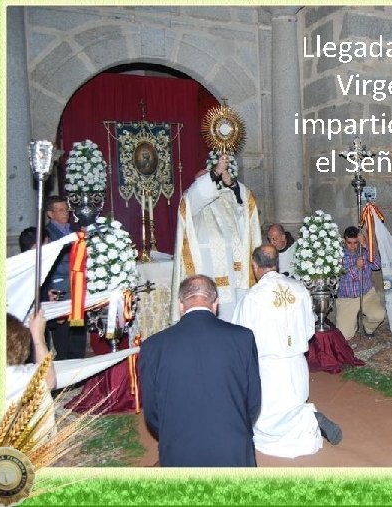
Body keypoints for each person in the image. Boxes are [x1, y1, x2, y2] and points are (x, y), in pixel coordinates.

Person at [139, 275, 261, 467]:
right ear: (215, 304)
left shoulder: (153, 346)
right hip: (233, 451)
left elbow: (152, 412)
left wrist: (171, 434)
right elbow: (253, 400)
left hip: (179, 452)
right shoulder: (242, 338)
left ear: (180, 305)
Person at [232, 245, 342, 457]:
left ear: (255, 266)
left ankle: (308, 417)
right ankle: (309, 417)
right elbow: (310, 329)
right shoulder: (299, 289)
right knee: (291, 407)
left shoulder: (252, 297)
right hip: (297, 366)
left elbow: (240, 337)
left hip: (269, 370)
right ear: (277, 264)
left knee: (265, 424)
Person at [171, 153, 262, 323]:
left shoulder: (226, 198)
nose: (211, 181)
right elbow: (195, 196)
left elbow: (245, 207)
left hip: (234, 277)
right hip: (207, 271)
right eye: (204, 179)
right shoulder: (191, 201)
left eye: (212, 178)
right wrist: (215, 172)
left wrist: (233, 185)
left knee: (235, 319)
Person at [43, 195, 85, 360]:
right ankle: (65, 375)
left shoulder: (74, 230)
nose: (65, 212)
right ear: (50, 214)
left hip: (78, 288)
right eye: (60, 210)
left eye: (66, 209)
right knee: (63, 336)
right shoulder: (47, 234)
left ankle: (79, 370)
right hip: (60, 290)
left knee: (78, 333)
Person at [336, 226, 386, 340]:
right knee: (345, 335)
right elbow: (341, 277)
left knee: (379, 315)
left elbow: (377, 265)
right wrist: (356, 267)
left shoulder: (364, 251)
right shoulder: (337, 256)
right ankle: (351, 322)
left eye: (356, 243)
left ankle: (368, 327)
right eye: (349, 243)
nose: (353, 246)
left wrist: (366, 246)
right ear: (344, 241)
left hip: (367, 294)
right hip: (347, 297)